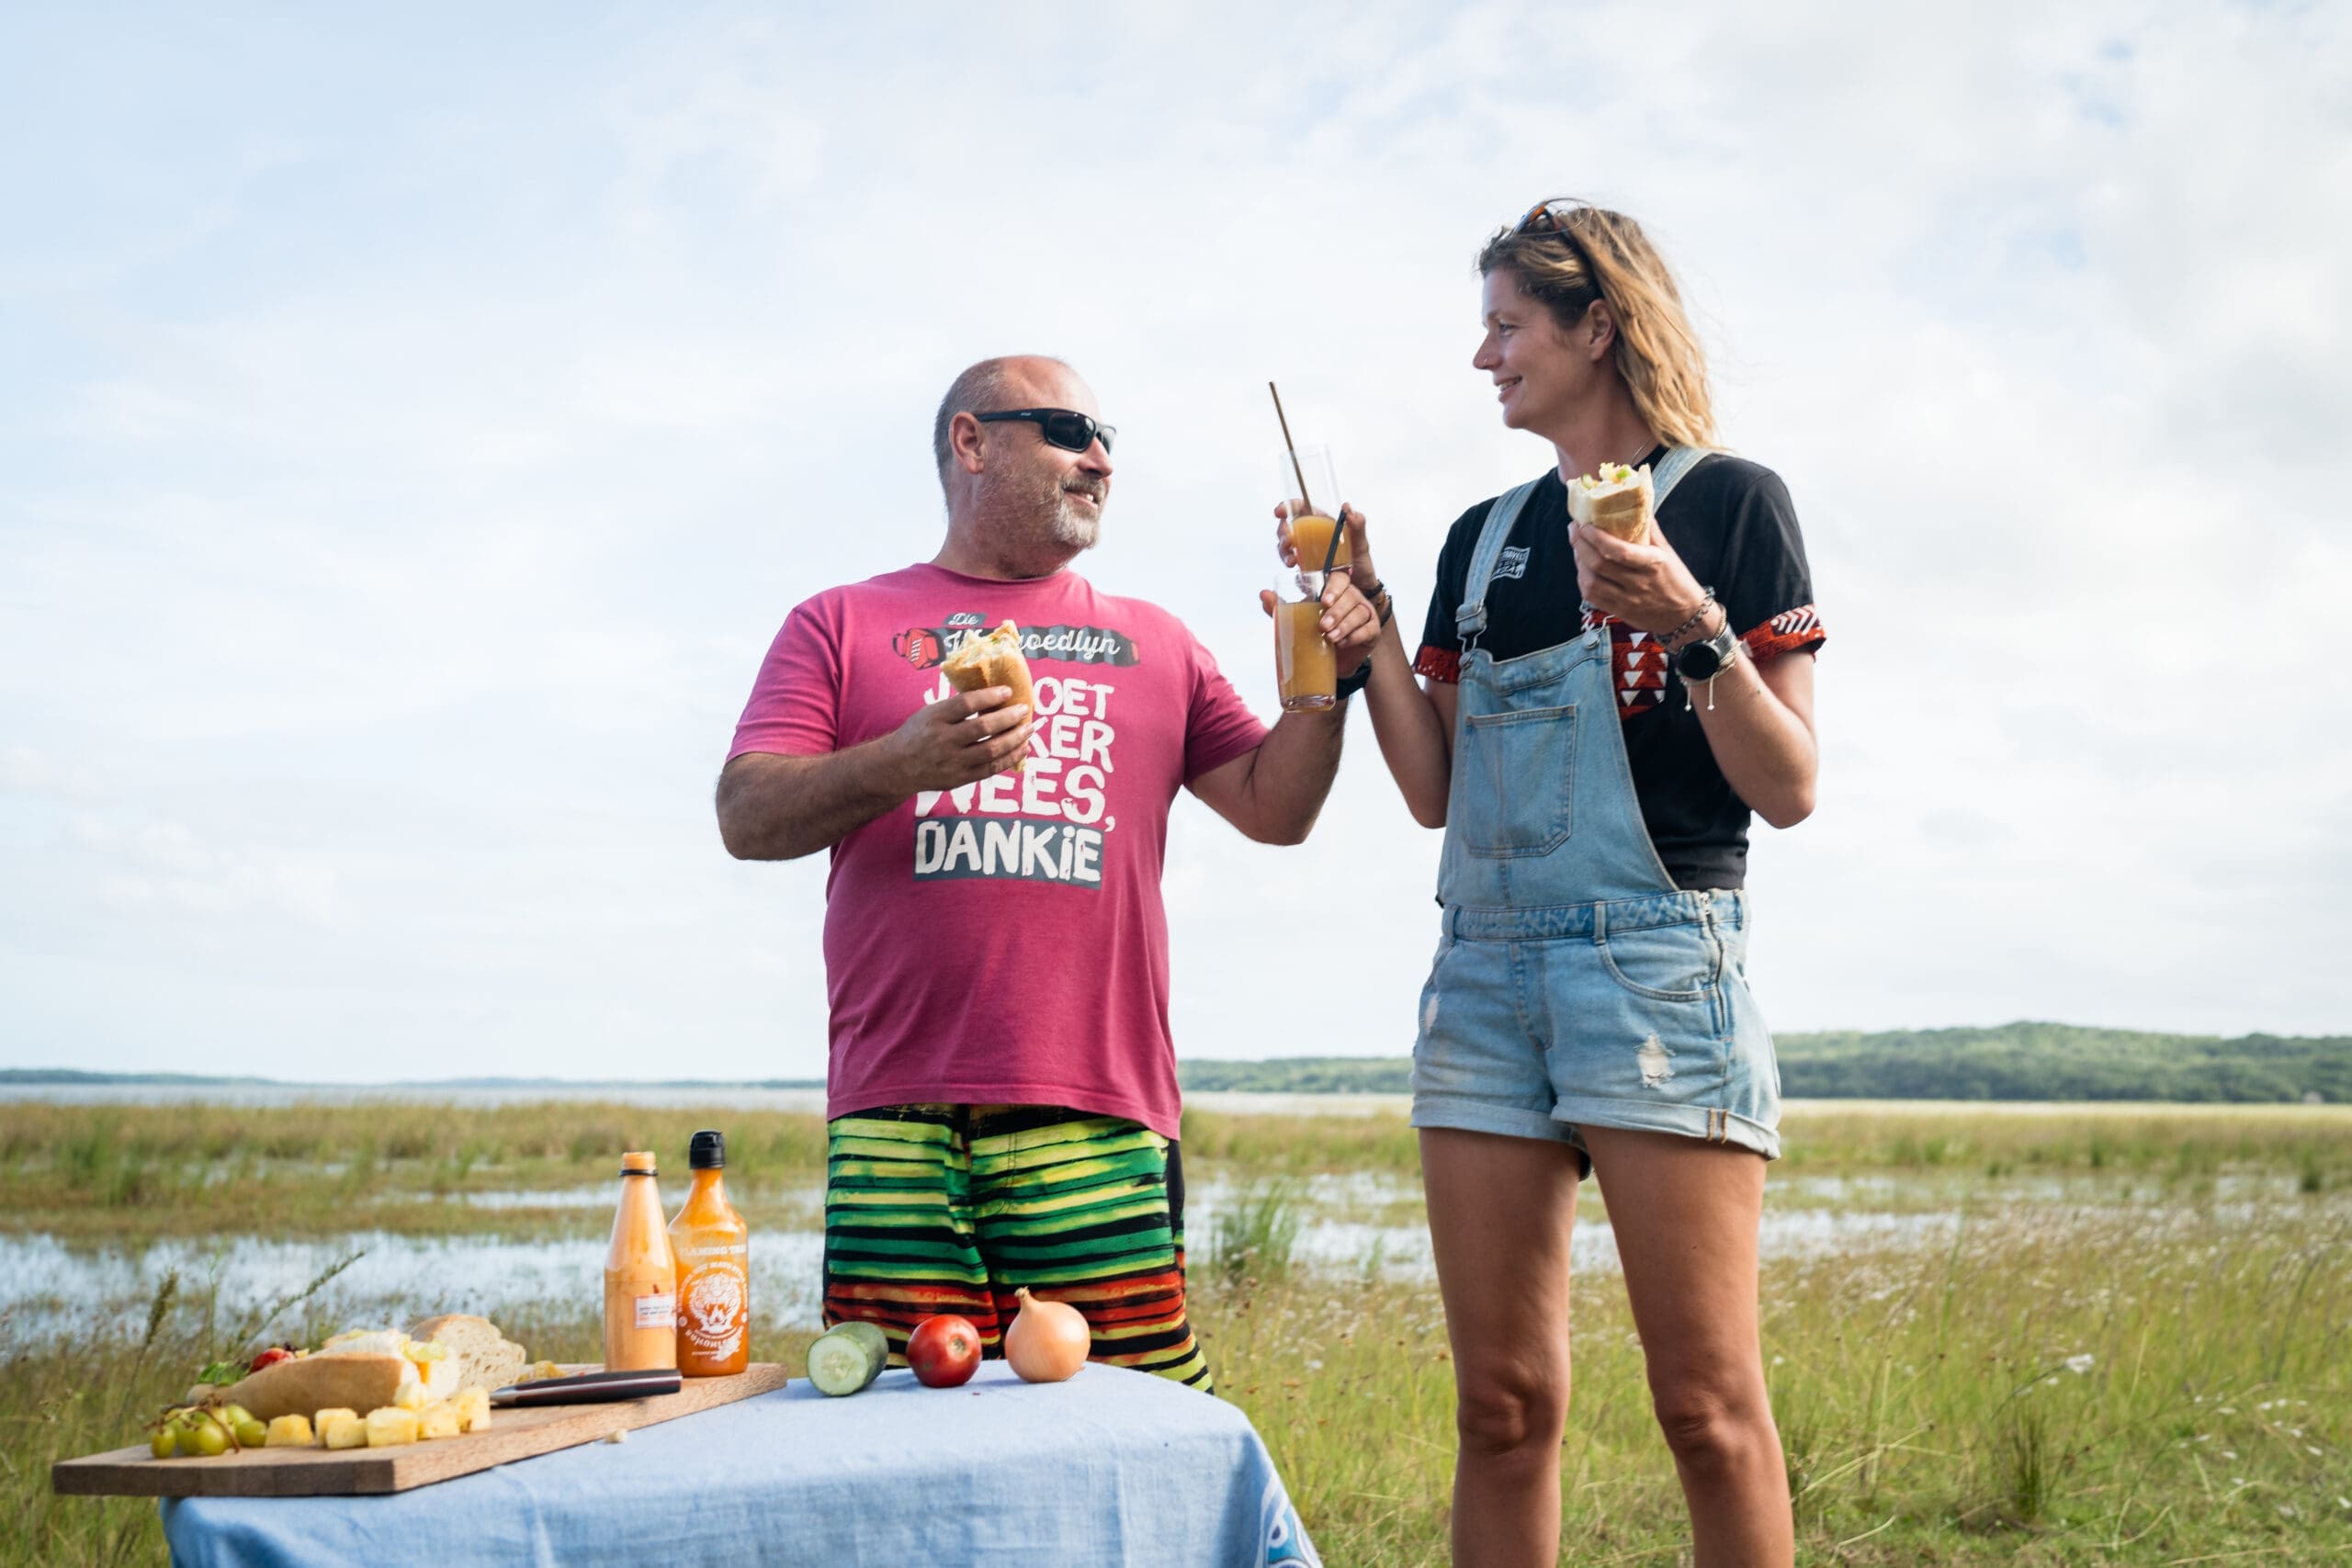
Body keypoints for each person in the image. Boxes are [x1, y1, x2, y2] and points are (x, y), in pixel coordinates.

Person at [1283, 202, 1822, 1565]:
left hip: (1654, 966)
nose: (1484, 357)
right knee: (1503, 1403)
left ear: (1598, 324)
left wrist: (1694, 629)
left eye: (1507, 324)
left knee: (1705, 1408)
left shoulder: (1731, 505)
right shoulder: (1483, 537)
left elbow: (1791, 783)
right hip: (1483, 973)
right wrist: (1375, 631)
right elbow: (1436, 795)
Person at [718, 355, 1377, 1392]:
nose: (1101, 459)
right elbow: (746, 817)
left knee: (1131, 1416)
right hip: (898, 1115)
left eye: (1109, 440)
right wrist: (906, 759)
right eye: (1068, 429)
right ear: (970, 441)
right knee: (888, 1420)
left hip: (1102, 1113)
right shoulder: (836, 622)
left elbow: (1276, 809)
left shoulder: (1158, 640)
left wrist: (1327, 686)